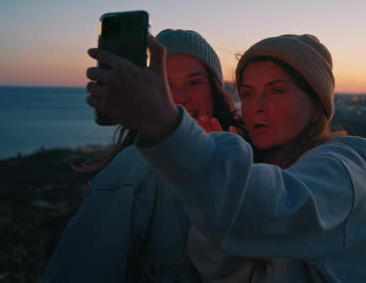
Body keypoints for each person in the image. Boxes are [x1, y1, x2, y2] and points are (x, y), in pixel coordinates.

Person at [86, 33, 366, 282]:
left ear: (316, 104)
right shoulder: (266, 170)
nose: (256, 105)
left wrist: (168, 127)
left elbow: (270, 205)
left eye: (276, 90)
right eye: (246, 93)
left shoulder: (344, 170)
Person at [43, 29, 240, 282]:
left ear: (214, 89)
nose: (179, 98)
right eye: (166, 83)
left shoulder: (247, 160)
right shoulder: (136, 171)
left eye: (194, 82)